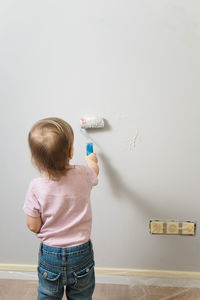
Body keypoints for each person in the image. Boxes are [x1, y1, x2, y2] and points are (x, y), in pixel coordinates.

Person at [23, 117, 99, 300]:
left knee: (48, 295)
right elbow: (94, 171)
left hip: (51, 254)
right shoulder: (83, 174)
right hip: (81, 253)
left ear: (36, 160)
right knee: (81, 296)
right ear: (71, 152)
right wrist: (92, 160)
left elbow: (33, 226)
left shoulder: (36, 186)